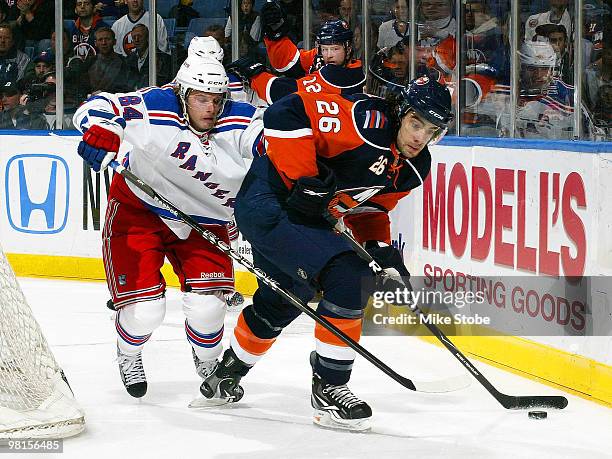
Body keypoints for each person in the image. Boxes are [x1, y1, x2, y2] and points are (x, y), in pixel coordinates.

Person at [200, 75, 453, 431]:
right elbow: (285, 112)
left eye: (431, 131)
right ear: (400, 112)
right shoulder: (363, 121)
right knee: (349, 277)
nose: (420, 138)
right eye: (415, 124)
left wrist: (377, 245)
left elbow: (370, 207)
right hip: (269, 202)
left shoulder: (414, 167)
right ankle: (330, 388)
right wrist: (305, 177)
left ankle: (226, 373)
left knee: (287, 296)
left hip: (307, 218)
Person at [72, 56, 264, 398]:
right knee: (146, 312)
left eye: (216, 99)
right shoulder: (157, 105)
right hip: (139, 210)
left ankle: (210, 364)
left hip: (206, 218)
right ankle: (128, 353)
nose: (210, 107)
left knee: (209, 308)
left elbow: (275, 139)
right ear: (183, 92)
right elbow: (98, 104)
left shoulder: (240, 119)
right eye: (201, 98)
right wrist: (103, 129)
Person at [227, 18, 365, 105]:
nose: (328, 55)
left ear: (348, 48)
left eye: (335, 49)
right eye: (325, 49)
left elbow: (285, 92)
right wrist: (276, 35)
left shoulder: (343, 76)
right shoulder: (325, 58)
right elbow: (293, 62)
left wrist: (256, 75)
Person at [125, 24, 171, 89]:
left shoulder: (162, 58)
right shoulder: (129, 59)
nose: (136, 39)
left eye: (139, 36)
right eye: (134, 37)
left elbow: (163, 83)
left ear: (147, 37)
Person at [88, 27, 132, 93]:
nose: (104, 43)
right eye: (100, 40)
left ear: (114, 42)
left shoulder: (124, 62)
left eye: (107, 39)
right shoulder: (89, 62)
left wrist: (104, 93)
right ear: (95, 43)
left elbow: (126, 87)